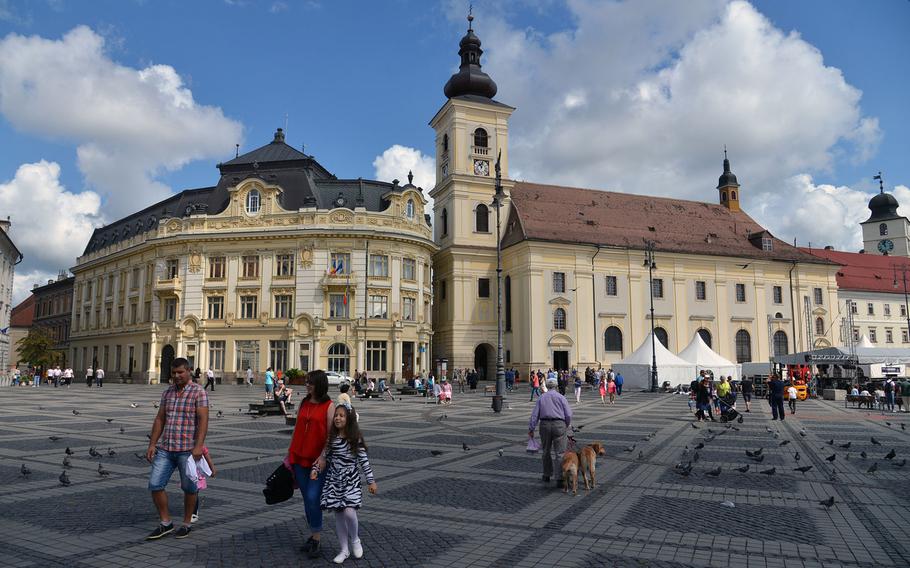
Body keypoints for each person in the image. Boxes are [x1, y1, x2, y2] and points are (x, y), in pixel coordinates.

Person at [145, 357, 209, 540]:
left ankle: (187, 523)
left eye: (180, 372)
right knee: (155, 484)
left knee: (189, 488)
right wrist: (152, 443)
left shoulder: (198, 392)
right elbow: (160, 419)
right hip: (166, 448)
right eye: (174, 373)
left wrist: (198, 446)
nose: (176, 376)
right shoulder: (167, 393)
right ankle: (166, 522)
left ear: (189, 371)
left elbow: (204, 420)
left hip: (188, 450)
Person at [314, 404, 377, 564]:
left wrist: (371, 481)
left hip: (351, 481)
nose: (337, 418)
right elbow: (323, 457)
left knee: (349, 512)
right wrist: (315, 469)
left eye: (341, 415)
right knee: (339, 516)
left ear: (348, 419)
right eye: (336, 415)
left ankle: (355, 539)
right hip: (334, 482)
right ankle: (344, 549)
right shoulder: (331, 439)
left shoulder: (356, 439)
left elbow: (364, 462)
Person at [287, 370, 335, 559]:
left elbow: (331, 435)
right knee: (307, 498)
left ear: (320, 385)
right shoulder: (304, 402)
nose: (307, 385)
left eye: (311, 383)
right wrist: (289, 455)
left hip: (317, 460)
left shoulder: (329, 406)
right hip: (299, 457)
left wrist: (323, 457)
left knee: (314, 497)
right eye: (307, 382)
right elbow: (298, 428)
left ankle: (316, 538)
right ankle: (314, 535)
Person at [528, 377, 572, 485]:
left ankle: (547, 475)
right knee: (560, 453)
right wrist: (566, 424)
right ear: (556, 386)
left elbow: (535, 415)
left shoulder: (541, 398)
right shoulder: (561, 397)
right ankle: (560, 478)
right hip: (559, 425)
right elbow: (568, 414)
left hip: (545, 425)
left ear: (546, 386)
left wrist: (531, 428)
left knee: (546, 451)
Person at [189, 446, 216, 523]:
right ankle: (190, 510)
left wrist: (212, 469)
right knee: (189, 491)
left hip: (197, 474)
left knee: (194, 492)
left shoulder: (201, 446)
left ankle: (194, 513)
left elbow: (208, 457)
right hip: (188, 473)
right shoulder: (185, 445)